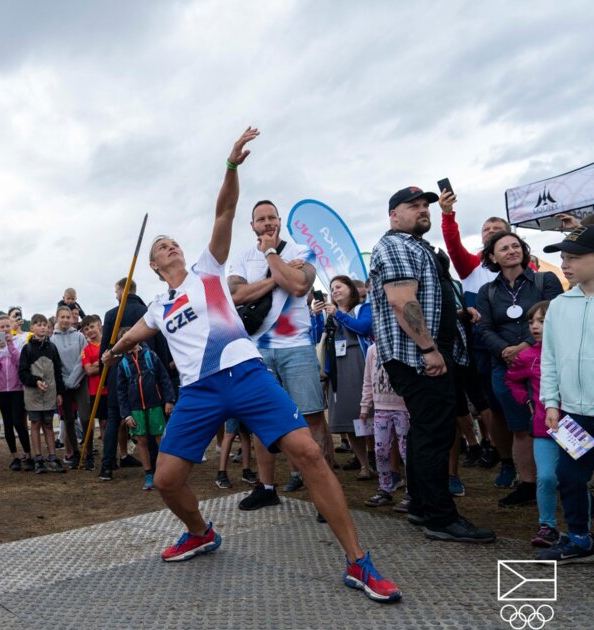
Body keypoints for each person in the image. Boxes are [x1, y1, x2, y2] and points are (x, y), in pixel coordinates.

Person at [104, 128, 401, 602]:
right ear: (154, 267)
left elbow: (224, 211)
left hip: (245, 372)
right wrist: (112, 350)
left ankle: (358, 562)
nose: (171, 247)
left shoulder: (206, 269)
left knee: (306, 450)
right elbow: (135, 335)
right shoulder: (158, 305)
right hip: (199, 390)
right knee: (166, 479)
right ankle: (200, 531)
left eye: (173, 242)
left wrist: (231, 167)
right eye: (162, 248)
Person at [368, 185, 495, 543]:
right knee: (435, 433)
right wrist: (429, 349)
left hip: (425, 352)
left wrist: (456, 314)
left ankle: (423, 507)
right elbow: (401, 301)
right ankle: (440, 517)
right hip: (418, 356)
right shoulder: (395, 245)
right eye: (414, 206)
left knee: (428, 431)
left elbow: (420, 299)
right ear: (394, 215)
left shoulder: (417, 247)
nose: (423, 210)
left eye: (426, 205)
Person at [228, 196, 332, 502]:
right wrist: (280, 275)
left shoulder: (300, 250)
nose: (267, 223)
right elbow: (235, 295)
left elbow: (301, 286)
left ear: (280, 220)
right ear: (252, 225)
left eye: (272, 217)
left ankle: (324, 492)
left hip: (297, 346)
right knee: (263, 420)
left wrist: (272, 253)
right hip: (257, 349)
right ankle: (267, 487)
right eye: (261, 219)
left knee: (312, 418)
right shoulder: (243, 256)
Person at [476, 230, 563, 507]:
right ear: (492, 257)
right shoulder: (487, 291)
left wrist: (525, 347)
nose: (512, 251)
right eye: (504, 248)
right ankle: (529, 485)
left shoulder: (544, 280)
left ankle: (568, 480)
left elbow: (556, 315)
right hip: (505, 368)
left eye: (516, 246)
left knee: (558, 421)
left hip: (545, 363)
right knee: (520, 426)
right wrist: (505, 351)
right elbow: (484, 328)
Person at [440, 192, 509, 472]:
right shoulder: (471, 265)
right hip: (478, 345)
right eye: (486, 230)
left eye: (497, 230)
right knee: (487, 400)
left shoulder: (525, 266)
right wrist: (447, 215)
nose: (491, 233)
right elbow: (453, 245)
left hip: (516, 345)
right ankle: (499, 452)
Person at [537, 227, 594, 562]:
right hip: (573, 413)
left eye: (574, 257)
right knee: (569, 477)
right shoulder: (559, 305)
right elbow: (551, 359)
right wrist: (552, 403)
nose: (565, 263)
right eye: (563, 257)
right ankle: (578, 538)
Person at [98, 279, 169, 480]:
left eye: (115, 291)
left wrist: (104, 377)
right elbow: (161, 346)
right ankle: (155, 465)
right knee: (152, 420)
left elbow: (106, 350)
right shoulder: (147, 312)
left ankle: (107, 466)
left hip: (123, 373)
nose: (115, 295)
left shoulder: (113, 314)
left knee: (114, 419)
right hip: (147, 376)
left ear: (122, 290)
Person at [504, 301, 561, 547]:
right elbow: (512, 380)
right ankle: (547, 526)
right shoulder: (527, 356)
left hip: (576, 428)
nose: (535, 327)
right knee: (546, 477)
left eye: (542, 320)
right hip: (543, 428)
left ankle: (581, 528)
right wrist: (527, 401)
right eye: (531, 322)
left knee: (575, 479)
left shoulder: (575, 352)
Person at [314, 276, 374, 479]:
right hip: (337, 368)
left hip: (359, 362)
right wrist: (316, 317)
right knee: (348, 418)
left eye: (339, 286)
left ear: (350, 288)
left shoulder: (363, 308)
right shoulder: (330, 314)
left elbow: (364, 328)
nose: (335, 291)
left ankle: (378, 458)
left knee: (367, 413)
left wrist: (338, 314)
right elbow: (317, 338)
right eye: (332, 288)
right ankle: (364, 464)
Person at [116, 327, 175, 491]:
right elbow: (120, 391)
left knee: (159, 438)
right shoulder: (123, 364)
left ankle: (165, 470)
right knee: (141, 440)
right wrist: (126, 414)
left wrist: (169, 400)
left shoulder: (150, 356)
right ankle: (149, 473)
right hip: (135, 409)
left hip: (155, 405)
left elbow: (164, 378)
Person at [359, 343, 409, 509]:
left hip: (403, 408)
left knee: (406, 450)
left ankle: (412, 491)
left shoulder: (404, 345)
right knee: (380, 449)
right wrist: (365, 407)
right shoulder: (372, 350)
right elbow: (367, 380)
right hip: (381, 408)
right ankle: (385, 489)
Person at [18, 313, 65, 473]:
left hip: (50, 393)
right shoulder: (27, 349)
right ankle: (38, 458)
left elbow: (58, 371)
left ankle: (52, 456)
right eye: (38, 324)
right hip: (33, 394)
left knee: (49, 424)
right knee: (36, 425)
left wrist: (59, 392)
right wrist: (35, 380)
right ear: (31, 328)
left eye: (45, 324)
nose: (42, 327)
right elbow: (22, 373)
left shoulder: (52, 348)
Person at [0, 314, 33, 470]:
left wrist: (10, 345)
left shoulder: (19, 342)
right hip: (1, 389)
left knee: (19, 421)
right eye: (1, 327)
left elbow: (19, 363)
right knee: (8, 423)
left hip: (17, 388)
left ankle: (28, 455)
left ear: (12, 326)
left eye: (7, 326)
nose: (5, 329)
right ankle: (14, 457)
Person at [51, 305, 88, 468]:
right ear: (57, 318)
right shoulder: (52, 340)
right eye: (62, 317)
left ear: (73, 318)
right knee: (69, 421)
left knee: (86, 418)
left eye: (68, 317)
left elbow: (83, 357)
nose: (65, 320)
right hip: (64, 385)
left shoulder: (79, 337)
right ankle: (75, 453)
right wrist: (65, 382)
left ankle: (89, 451)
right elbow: (55, 364)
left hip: (79, 381)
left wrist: (73, 378)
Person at [80, 314, 107, 459]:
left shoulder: (108, 344)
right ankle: (100, 454)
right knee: (101, 423)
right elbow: (89, 370)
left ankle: (111, 453)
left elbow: (114, 362)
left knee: (111, 424)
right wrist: (103, 364)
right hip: (95, 391)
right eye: (86, 329)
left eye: (92, 326)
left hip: (110, 389)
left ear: (99, 325)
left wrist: (98, 364)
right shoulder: (87, 350)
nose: (89, 330)